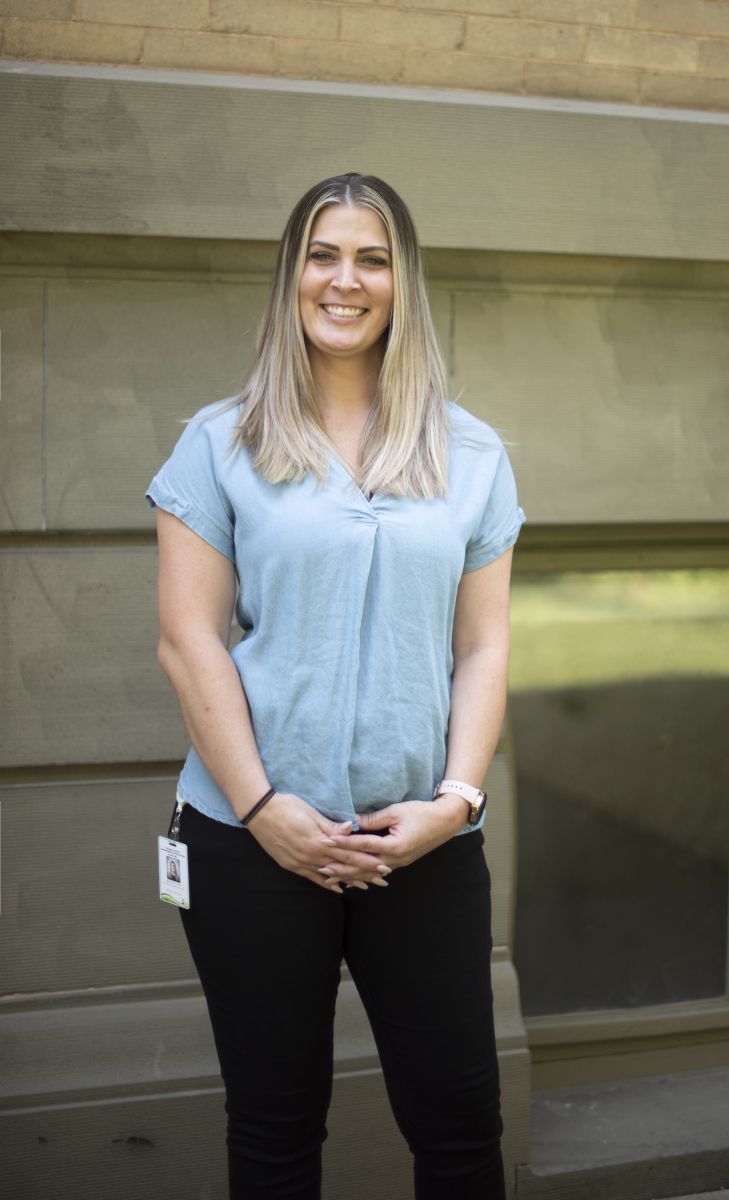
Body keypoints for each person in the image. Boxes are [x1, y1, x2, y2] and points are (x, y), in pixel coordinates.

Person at [146, 172, 525, 1200]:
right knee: (273, 1132)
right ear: (291, 276)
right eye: (322, 253)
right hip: (249, 843)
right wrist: (266, 811)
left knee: (460, 1129)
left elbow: (483, 649)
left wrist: (457, 801)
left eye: (371, 257)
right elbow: (189, 639)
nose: (344, 280)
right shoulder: (218, 444)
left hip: (425, 844)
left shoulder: (474, 454)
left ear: (403, 282)